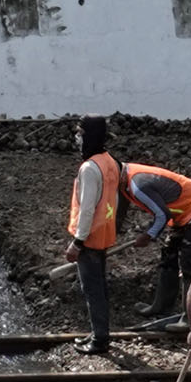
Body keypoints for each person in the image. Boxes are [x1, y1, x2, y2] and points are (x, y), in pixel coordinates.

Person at [119, 161, 191, 327]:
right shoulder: (124, 179)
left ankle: (189, 319)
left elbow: (162, 215)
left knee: (189, 263)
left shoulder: (137, 185)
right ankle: (161, 306)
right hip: (183, 214)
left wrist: (149, 235)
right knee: (168, 256)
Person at [61, 117, 129, 352]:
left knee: (92, 289)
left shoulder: (90, 168)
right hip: (104, 233)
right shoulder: (110, 161)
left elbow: (87, 208)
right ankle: (98, 333)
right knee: (99, 286)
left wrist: (77, 242)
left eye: (80, 133)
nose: (77, 138)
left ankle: (100, 339)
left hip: (90, 238)